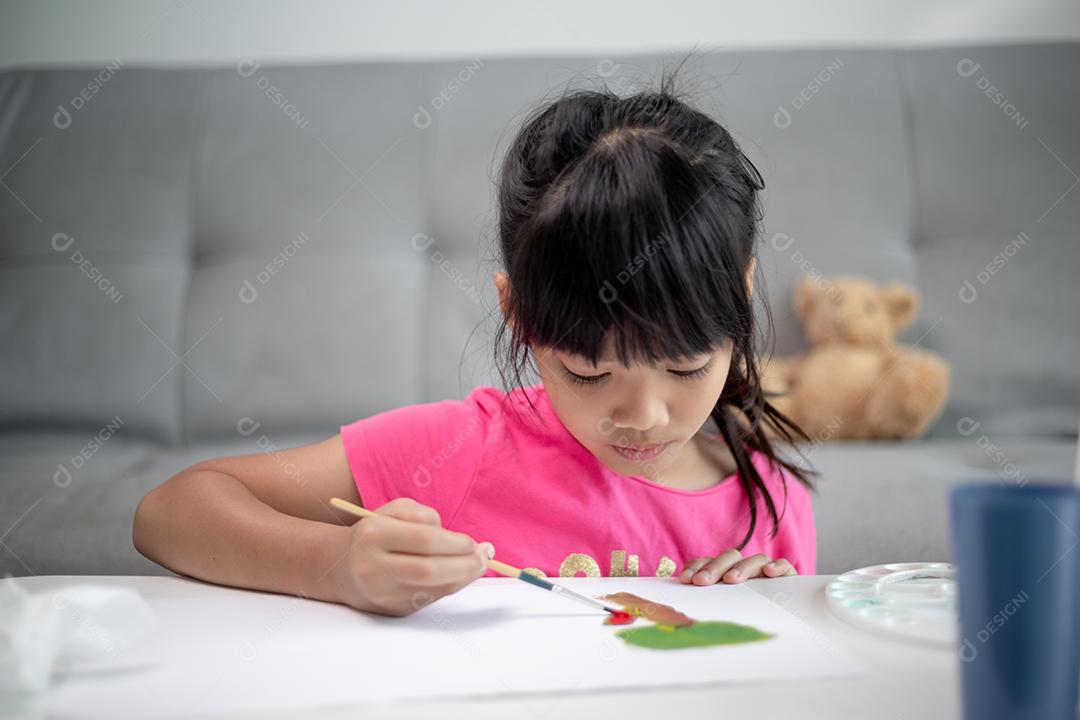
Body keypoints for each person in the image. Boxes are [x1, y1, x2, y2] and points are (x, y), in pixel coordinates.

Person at [134, 70, 816, 618]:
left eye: (685, 365)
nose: (643, 416)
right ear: (516, 313)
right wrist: (334, 566)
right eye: (587, 372)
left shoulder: (775, 505)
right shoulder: (463, 452)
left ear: (742, 295)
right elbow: (171, 509)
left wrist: (772, 609)